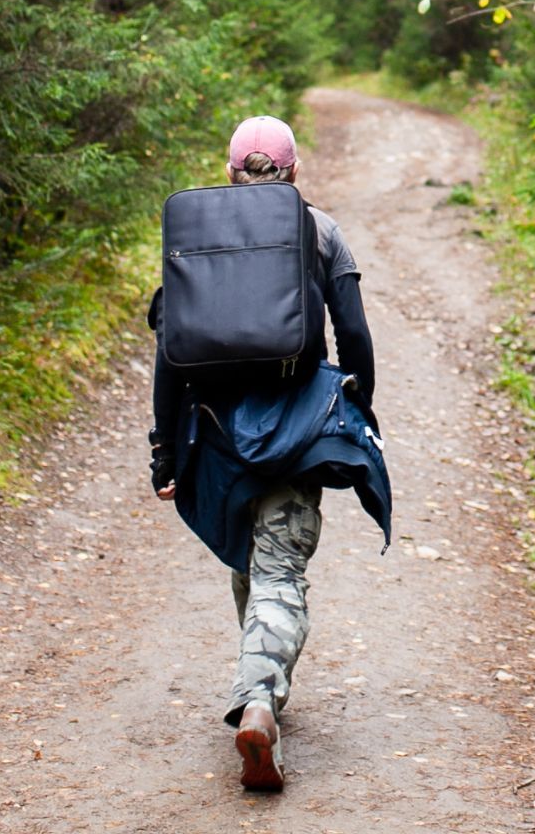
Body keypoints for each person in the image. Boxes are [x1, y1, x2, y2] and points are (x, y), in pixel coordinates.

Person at [147, 114, 386, 791]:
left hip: (217, 434)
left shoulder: (198, 232)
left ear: (229, 172)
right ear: (294, 173)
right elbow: (355, 335)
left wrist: (165, 449)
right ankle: (259, 696)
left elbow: (171, 358)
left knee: (254, 557)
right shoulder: (320, 230)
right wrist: (355, 404)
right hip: (292, 428)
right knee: (280, 568)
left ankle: (264, 681)